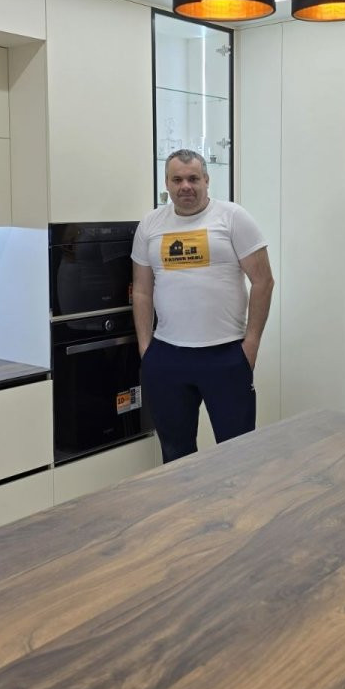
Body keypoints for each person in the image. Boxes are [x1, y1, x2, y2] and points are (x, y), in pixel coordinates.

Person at [131, 149, 274, 463]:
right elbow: (141, 290)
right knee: (176, 456)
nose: (186, 186)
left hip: (225, 355)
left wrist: (250, 345)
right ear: (167, 183)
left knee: (238, 454)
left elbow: (263, 281)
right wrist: (146, 348)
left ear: (207, 180)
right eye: (177, 179)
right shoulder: (150, 225)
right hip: (167, 357)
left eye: (193, 178)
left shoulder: (232, 217)